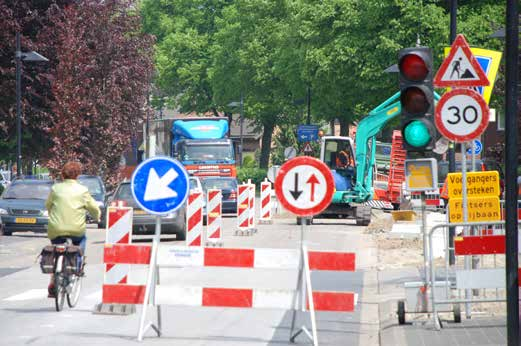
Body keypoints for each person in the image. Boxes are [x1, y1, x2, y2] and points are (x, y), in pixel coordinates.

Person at [45, 161, 101, 298]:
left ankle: (53, 279)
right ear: (78, 175)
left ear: (63, 174)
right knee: (81, 240)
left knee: (56, 249)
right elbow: (93, 208)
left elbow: (48, 205)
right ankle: (78, 265)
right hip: (76, 229)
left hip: (56, 229)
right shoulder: (82, 190)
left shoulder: (55, 188)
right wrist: (98, 217)